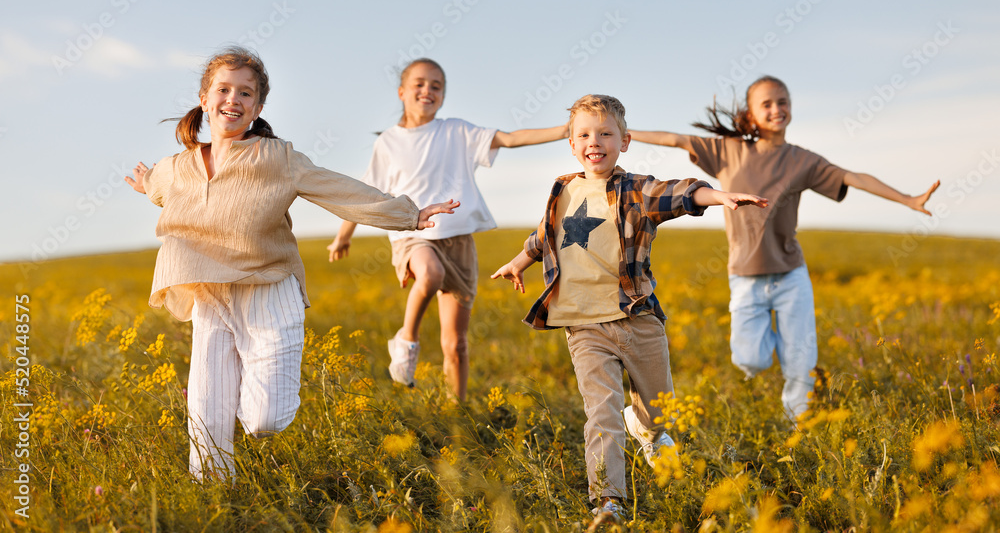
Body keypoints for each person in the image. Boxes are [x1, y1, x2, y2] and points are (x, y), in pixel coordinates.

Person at [125, 47, 457, 480]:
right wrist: (146, 183)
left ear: (258, 107)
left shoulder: (278, 158)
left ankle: (250, 393)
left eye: (245, 93)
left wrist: (408, 215)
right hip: (210, 291)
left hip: (269, 288)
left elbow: (340, 190)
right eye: (223, 90)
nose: (233, 99)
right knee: (206, 409)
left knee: (265, 419)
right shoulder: (176, 167)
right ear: (204, 99)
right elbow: (159, 187)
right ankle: (212, 495)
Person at [491, 94, 766, 520]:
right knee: (601, 414)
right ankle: (608, 501)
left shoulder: (636, 190)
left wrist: (717, 195)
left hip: (636, 318)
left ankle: (647, 429)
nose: (593, 141)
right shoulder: (563, 189)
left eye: (605, 133)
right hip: (583, 325)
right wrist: (518, 261)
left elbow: (679, 193)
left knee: (659, 409)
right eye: (583, 134)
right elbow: (545, 235)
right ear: (571, 142)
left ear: (625, 141)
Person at [630, 75, 940, 423]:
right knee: (750, 359)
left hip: (791, 275)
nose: (777, 109)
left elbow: (854, 177)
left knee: (800, 363)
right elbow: (674, 138)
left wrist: (908, 199)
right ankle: (786, 344)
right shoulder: (728, 151)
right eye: (767, 104)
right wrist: (626, 133)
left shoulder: (802, 160)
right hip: (745, 277)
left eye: (783, 102)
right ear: (751, 113)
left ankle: (799, 427)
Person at [328, 58, 567, 402]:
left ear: (443, 96)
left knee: (455, 344)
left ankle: (458, 411)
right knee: (431, 273)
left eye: (436, 86)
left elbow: (512, 139)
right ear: (402, 92)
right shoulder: (389, 142)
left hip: (458, 243)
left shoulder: (457, 131)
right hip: (413, 237)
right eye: (420, 84)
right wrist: (343, 235)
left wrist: (568, 129)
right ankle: (406, 341)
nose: (428, 91)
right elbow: (368, 194)